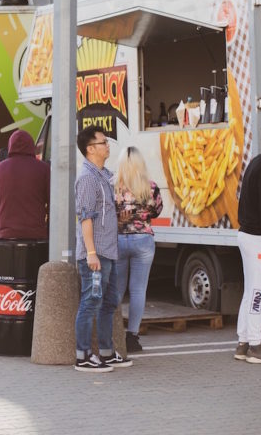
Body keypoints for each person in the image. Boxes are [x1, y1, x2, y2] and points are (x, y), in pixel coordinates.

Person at [73, 126, 131, 372]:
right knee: (91, 301)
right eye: (103, 142)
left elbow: (101, 215)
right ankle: (83, 355)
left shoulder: (103, 175)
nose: (108, 146)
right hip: (96, 253)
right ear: (90, 149)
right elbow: (85, 217)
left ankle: (106, 352)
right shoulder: (87, 178)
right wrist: (91, 253)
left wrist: (120, 219)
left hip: (109, 250)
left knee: (109, 302)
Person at [114, 146, 163, 353]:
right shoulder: (150, 188)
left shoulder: (114, 187)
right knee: (138, 289)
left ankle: (112, 333)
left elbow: (109, 213)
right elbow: (157, 210)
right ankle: (132, 336)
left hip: (118, 239)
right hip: (143, 240)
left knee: (116, 289)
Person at [0, 129, 50, 240]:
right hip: (36, 234)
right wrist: (46, 230)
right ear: (31, 146)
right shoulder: (43, 169)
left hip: (6, 235)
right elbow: (52, 203)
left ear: (10, 146)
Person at [235, 153, 261, 363]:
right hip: (256, 237)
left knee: (250, 289)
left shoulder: (255, 162)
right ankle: (255, 345)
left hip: (246, 234)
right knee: (258, 291)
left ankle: (243, 342)